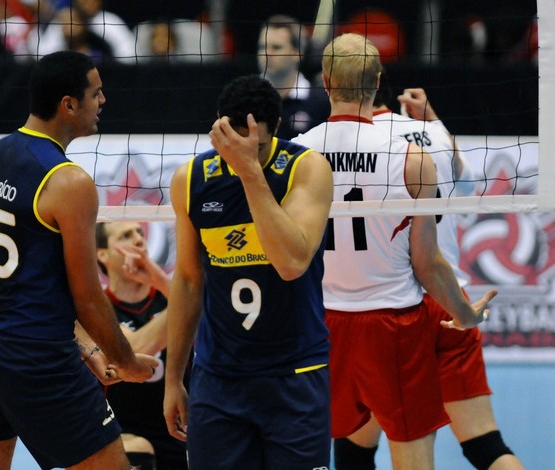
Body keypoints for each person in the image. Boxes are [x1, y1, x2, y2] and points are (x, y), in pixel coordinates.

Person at [292, 33, 497, 470]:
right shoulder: (411, 158)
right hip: (393, 323)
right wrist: (464, 313)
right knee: (413, 457)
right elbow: (427, 263)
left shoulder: (296, 154)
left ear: (325, 82)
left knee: (342, 455)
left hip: (323, 323)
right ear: (378, 80)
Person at [0, 50, 158, 470]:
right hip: (33, 356)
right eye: (96, 93)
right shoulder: (69, 181)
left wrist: (83, 346)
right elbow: (86, 295)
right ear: (68, 104)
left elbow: (30, 278)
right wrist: (126, 360)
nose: (103, 101)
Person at [330, 87, 526, 469]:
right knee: (486, 445)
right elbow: (468, 184)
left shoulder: (353, 144)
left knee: (356, 449)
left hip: (394, 308)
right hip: (453, 300)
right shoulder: (432, 134)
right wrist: (431, 118)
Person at [163, 74, 333, 470]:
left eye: (252, 148)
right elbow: (188, 280)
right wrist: (174, 378)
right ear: (218, 124)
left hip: (295, 375)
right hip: (219, 379)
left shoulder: (306, 169)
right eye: (231, 146)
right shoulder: (190, 180)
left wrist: (249, 174)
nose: (239, 155)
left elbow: (291, 264)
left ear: (275, 129)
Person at [96, 221, 189, 470]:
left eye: (139, 232)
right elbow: (129, 350)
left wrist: (162, 281)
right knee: (137, 449)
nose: (138, 239)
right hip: (126, 432)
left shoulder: (165, 295)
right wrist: (187, 297)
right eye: (126, 236)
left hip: (184, 430)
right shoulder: (98, 309)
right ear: (101, 254)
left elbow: (204, 324)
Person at [257, 14, 330, 139]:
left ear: (298, 53)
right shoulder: (243, 97)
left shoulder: (321, 104)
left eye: (276, 47)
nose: (267, 54)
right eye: (262, 47)